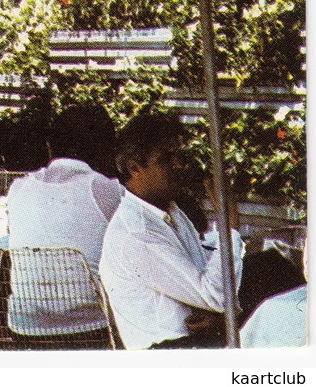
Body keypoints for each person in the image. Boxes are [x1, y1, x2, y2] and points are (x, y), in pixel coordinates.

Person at [98, 111, 243, 349]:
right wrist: (230, 226)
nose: (179, 165)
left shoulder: (168, 210)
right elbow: (217, 296)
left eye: (179, 156)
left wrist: (219, 316)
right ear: (134, 168)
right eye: (166, 159)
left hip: (195, 342)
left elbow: (205, 276)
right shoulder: (137, 233)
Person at [5, 103, 126, 339]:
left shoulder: (18, 188)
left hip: (25, 327)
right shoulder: (105, 189)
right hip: (93, 327)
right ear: (105, 149)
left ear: (50, 146)